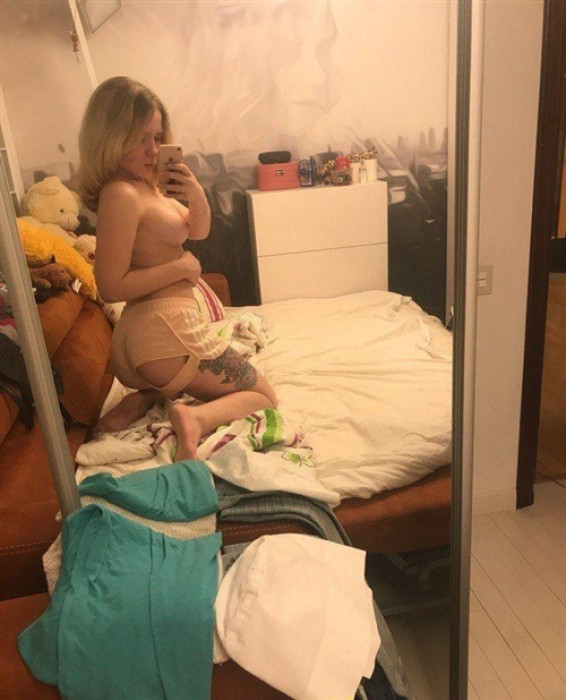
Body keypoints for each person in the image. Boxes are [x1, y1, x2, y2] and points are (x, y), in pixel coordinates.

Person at [78, 76, 277, 460]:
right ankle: (194, 418)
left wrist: (194, 191)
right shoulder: (120, 193)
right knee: (263, 396)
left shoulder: (146, 186)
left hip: (159, 336)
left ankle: (147, 398)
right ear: (110, 137)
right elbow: (110, 285)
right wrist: (182, 268)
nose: (153, 150)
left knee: (241, 383)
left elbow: (197, 230)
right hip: (164, 332)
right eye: (140, 138)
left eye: (157, 138)